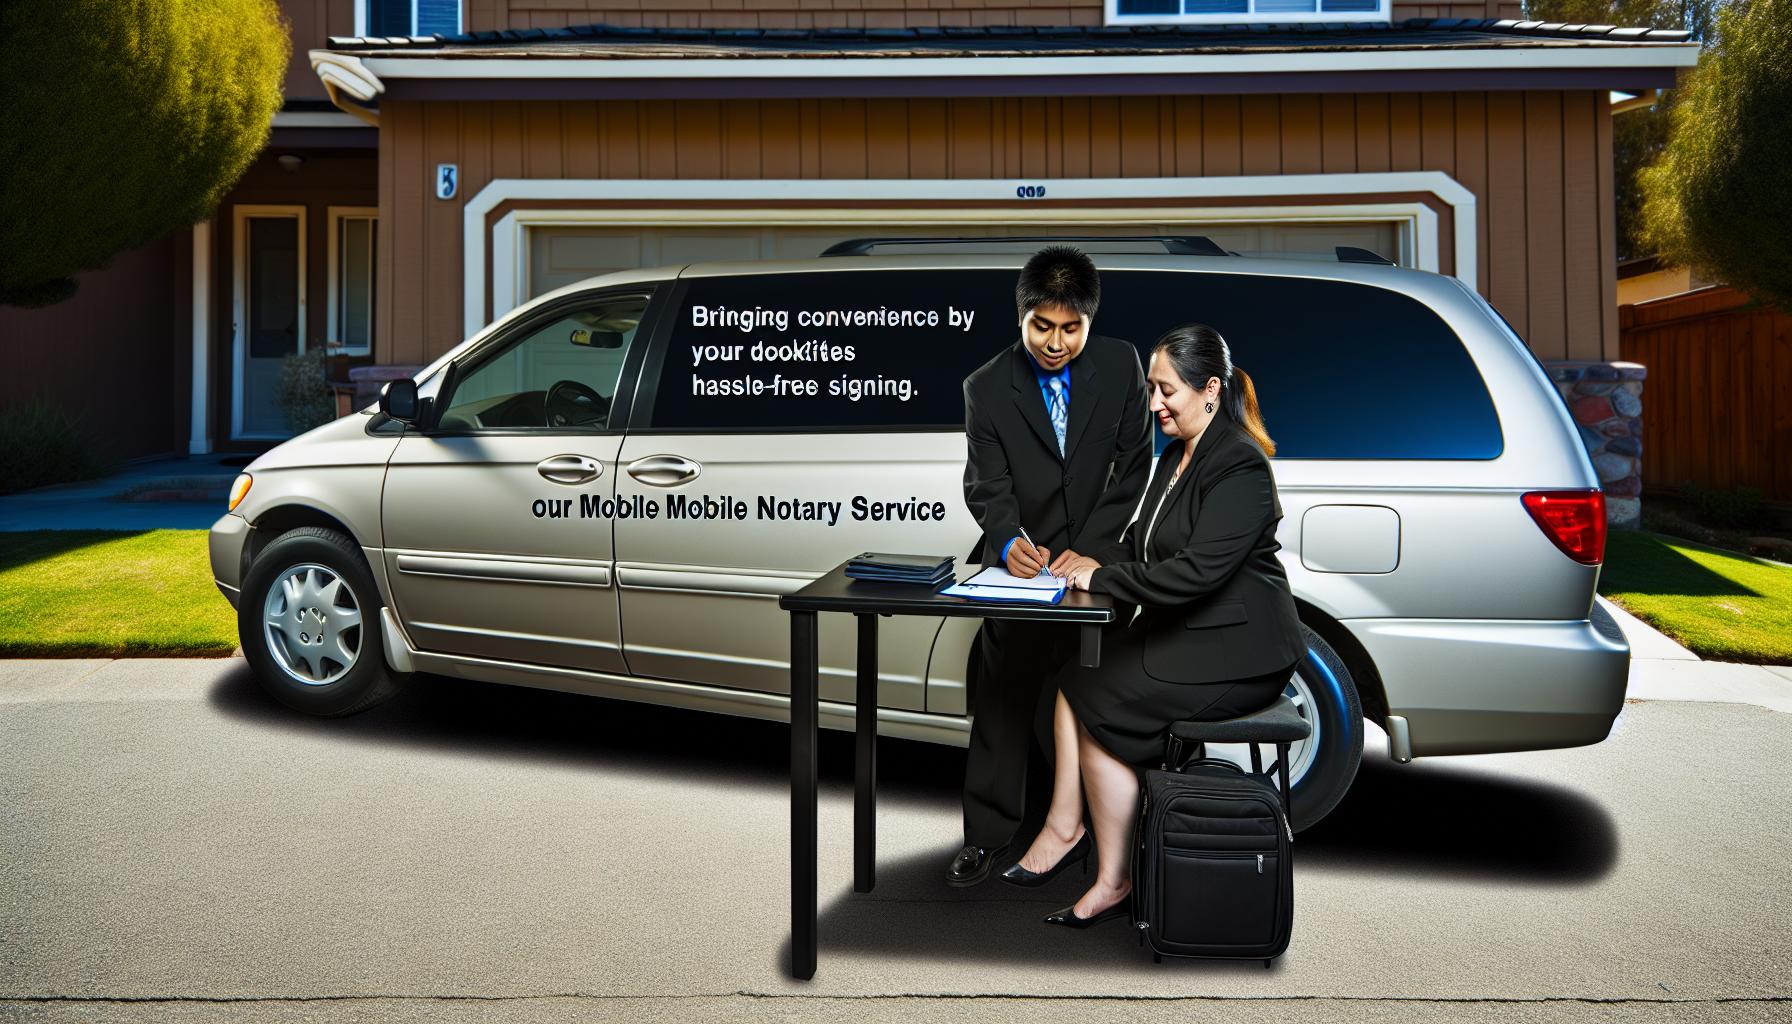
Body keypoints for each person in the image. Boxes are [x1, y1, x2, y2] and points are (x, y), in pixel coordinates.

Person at [998, 322, 1306, 928]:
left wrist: (1100, 581)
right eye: (1151, 390)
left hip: (1242, 652)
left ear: (1210, 389)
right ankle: (1067, 827)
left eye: (1166, 390)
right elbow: (1144, 544)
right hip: (1198, 636)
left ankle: (1106, 872)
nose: (1155, 404)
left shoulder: (1239, 465)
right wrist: (1088, 560)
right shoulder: (1176, 457)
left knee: (1091, 690)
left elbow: (1194, 574)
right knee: (1073, 676)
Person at [952, 246, 1152, 886]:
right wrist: (1007, 537)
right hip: (1020, 569)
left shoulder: (1123, 366)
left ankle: (1112, 837)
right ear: (1021, 318)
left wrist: (1094, 546)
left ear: (1089, 323)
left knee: (1097, 696)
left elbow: (1134, 464)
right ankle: (985, 838)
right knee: (1003, 698)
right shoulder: (985, 387)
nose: (1056, 342)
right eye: (1043, 326)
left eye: (1071, 328)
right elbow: (986, 484)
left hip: (1095, 566)